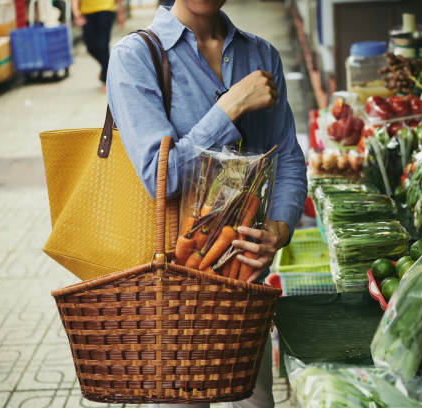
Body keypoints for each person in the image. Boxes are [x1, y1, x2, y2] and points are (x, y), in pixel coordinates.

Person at [105, 0, 308, 407]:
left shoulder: (261, 54)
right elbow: (160, 177)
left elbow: (286, 156)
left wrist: (280, 229)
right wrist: (230, 106)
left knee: (254, 398)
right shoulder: (136, 57)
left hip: (243, 285)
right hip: (173, 289)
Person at [71, 0, 126, 90]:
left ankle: (107, 80)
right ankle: (106, 68)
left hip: (106, 9)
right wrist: (75, 11)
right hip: (86, 12)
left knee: (103, 45)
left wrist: (120, 12)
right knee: (90, 47)